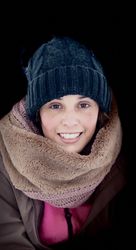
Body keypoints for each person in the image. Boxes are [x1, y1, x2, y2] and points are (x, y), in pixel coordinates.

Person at [0, 36, 127, 249]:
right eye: (55, 106)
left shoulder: (118, 158)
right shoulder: (5, 158)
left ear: (99, 111)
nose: (70, 121)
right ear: (37, 113)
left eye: (84, 104)